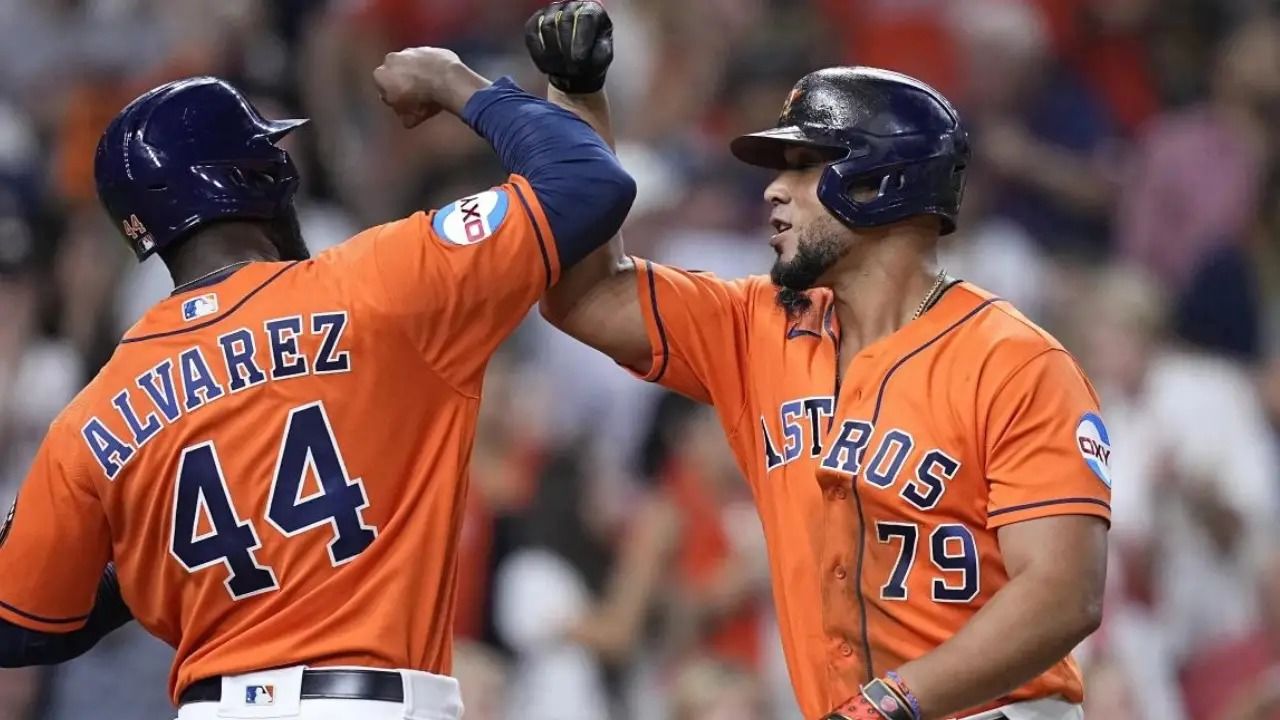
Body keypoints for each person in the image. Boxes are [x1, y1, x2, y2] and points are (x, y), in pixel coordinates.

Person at [0, 40, 635, 720]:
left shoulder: (95, 414)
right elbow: (586, 182)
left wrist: (157, 563)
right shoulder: (379, 286)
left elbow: (20, 625)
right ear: (255, 176)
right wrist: (454, 82)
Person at [525, 3, 1110, 719]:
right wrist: (577, 96)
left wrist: (892, 703)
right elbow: (583, 295)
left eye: (803, 166)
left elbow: (1063, 594)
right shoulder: (755, 328)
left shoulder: (1016, 363)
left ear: (882, 180)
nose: (773, 188)